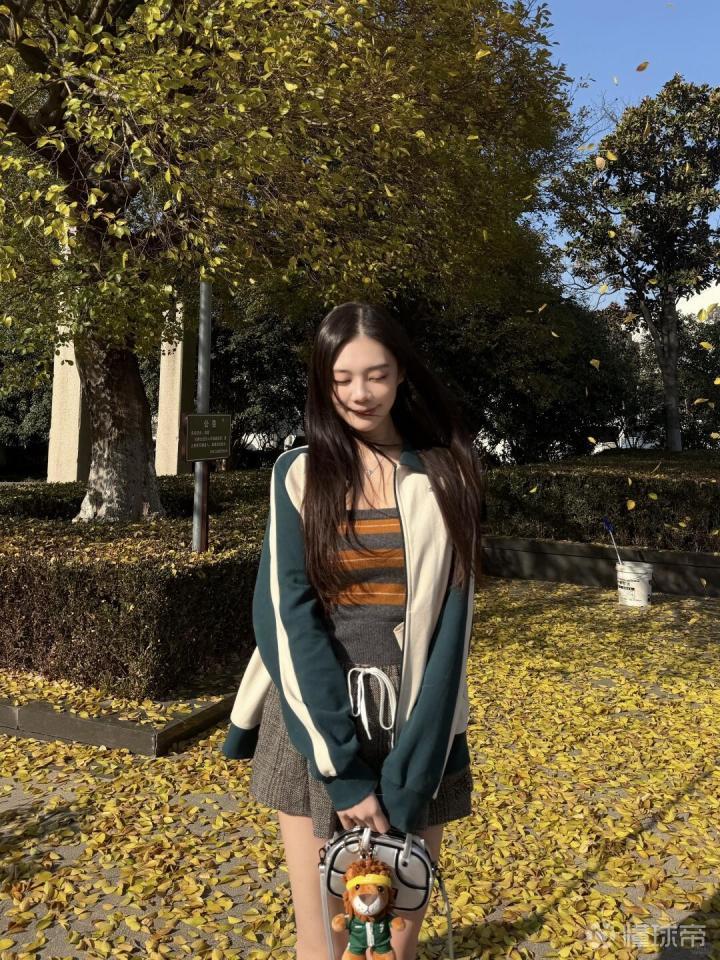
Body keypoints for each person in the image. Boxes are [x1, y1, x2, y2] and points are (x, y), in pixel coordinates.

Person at [221, 301, 486, 960]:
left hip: (417, 723)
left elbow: (452, 630)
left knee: (394, 941)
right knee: (325, 942)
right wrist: (341, 772)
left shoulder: (446, 473)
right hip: (316, 721)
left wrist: (409, 779)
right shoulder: (299, 474)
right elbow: (287, 614)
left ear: (402, 375)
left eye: (376, 374)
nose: (360, 393)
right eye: (342, 379)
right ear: (322, 383)